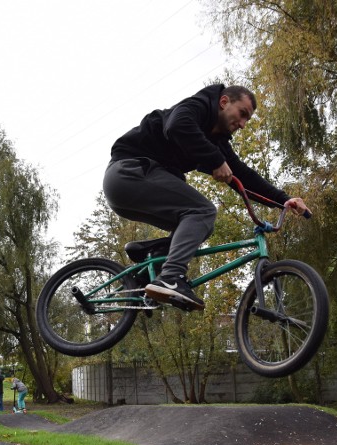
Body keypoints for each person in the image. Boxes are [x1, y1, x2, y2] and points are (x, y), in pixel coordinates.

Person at [103, 84, 310, 311]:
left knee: (200, 225)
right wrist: (215, 160)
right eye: (242, 114)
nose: (242, 124)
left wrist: (284, 200)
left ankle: (151, 256)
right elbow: (177, 125)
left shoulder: (215, 141)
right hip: (129, 172)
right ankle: (171, 277)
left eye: (247, 121)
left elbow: (244, 176)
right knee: (203, 211)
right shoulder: (197, 107)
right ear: (224, 102)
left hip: (133, 188)